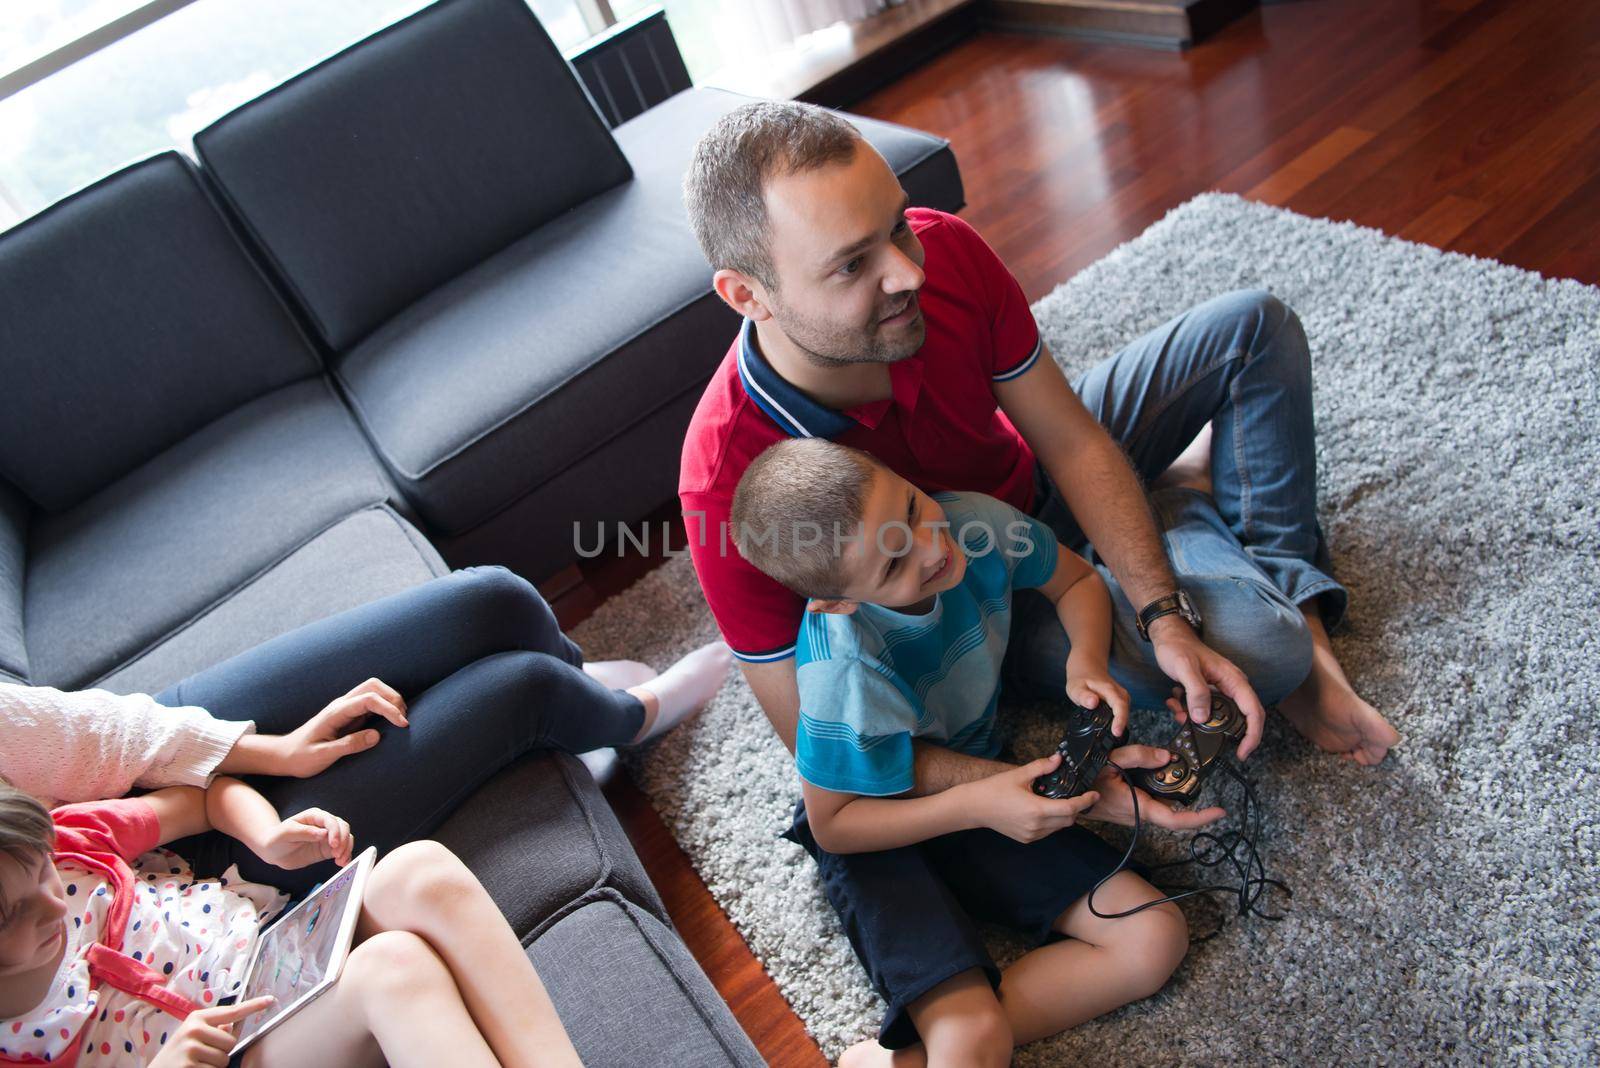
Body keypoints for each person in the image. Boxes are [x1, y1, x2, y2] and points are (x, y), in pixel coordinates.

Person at [678, 100, 1399, 792]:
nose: (909, 273)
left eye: (896, 226)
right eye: (851, 264)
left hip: (1035, 481)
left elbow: (1073, 441)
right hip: (988, 600)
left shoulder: (946, 254)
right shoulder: (724, 482)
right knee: (1266, 648)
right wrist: (1019, 785)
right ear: (748, 295)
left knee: (1253, 328)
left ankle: (1276, 596)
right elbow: (824, 747)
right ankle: (1196, 525)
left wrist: (1163, 614)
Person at [731, 437, 1195, 1066]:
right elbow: (832, 825)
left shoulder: (975, 526)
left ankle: (910, 1056)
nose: (931, 547)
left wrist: (1084, 660)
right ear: (837, 602)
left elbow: (1076, 578)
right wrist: (975, 804)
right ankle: (953, 1043)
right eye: (893, 563)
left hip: (977, 793)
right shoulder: (841, 671)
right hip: (876, 828)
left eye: (914, 509)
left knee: (1153, 936)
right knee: (972, 1037)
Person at [1, 566, 732, 894]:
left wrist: (273, 752)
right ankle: (630, 721)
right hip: (213, 882)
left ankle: (578, 688)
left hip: (133, 778)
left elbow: (97, 734)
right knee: (522, 690)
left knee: (495, 602)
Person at [0, 776, 580, 1067]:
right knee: (391, 969)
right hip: (236, 1054)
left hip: (277, 952)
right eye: (11, 915)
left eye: (44, 872)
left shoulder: (76, 838)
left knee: (418, 871)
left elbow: (205, 798)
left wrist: (267, 837)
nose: (54, 907)